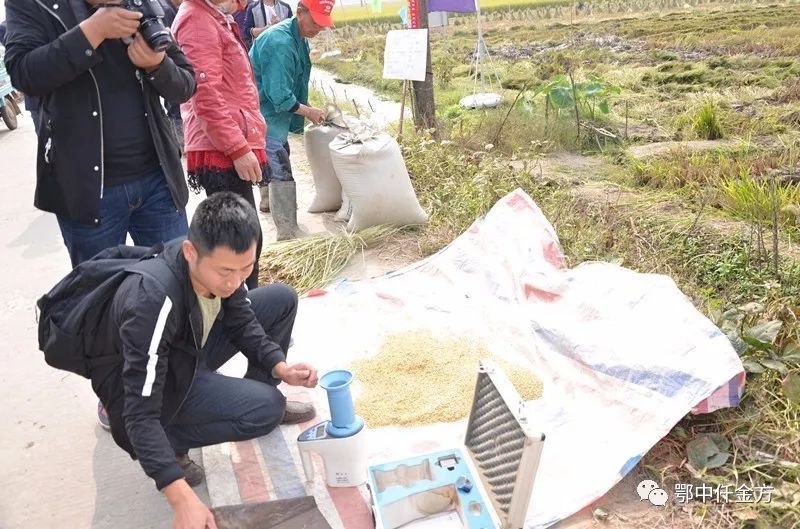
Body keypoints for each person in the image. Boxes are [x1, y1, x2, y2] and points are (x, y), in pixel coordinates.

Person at [89, 192, 317, 529]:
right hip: (154, 387)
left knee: (281, 298)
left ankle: (246, 396)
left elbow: (242, 321)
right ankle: (172, 440)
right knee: (266, 409)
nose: (235, 281)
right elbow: (138, 413)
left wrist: (279, 367)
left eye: (246, 268)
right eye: (225, 271)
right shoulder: (152, 302)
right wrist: (178, 495)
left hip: (188, 348)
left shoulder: (220, 269)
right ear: (190, 252)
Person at [4, 0, 195, 268]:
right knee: (103, 290)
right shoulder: (34, 4)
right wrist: (91, 32)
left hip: (159, 180)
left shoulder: (139, 3)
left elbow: (186, 84)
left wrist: (158, 65)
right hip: (87, 191)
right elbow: (24, 74)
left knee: (178, 280)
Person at [173, 0, 268, 289]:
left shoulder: (212, 15)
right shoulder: (196, 19)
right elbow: (205, 95)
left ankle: (243, 305)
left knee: (245, 238)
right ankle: (240, 309)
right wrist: (237, 148)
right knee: (239, 243)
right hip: (220, 147)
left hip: (228, 138)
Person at [250, 0, 331, 240]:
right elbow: (279, 94)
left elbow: (295, 80)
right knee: (280, 167)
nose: (318, 28)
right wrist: (308, 112)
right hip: (262, 113)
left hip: (273, 115)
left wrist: (305, 107)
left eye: (322, 24)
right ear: (299, 12)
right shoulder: (280, 42)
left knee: (274, 157)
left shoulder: (300, 38)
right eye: (315, 22)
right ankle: (288, 232)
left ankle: (268, 202)